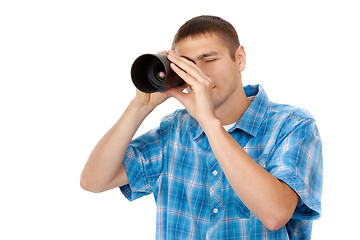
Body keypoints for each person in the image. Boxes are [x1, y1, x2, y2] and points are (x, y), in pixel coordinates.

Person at [80, 15, 323, 239]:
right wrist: (140, 105)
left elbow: (275, 214)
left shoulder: (292, 124)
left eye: (209, 60)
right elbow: (94, 181)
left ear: (239, 58)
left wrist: (209, 121)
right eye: (188, 65)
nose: (199, 74)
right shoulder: (175, 130)